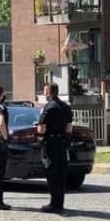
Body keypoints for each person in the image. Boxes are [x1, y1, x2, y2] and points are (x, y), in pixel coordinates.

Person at [37, 82, 72, 213]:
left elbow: (41, 128)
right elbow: (69, 126)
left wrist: (40, 136)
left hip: (50, 142)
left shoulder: (48, 107)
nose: (44, 94)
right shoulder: (65, 106)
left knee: (51, 172)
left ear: (49, 92)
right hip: (62, 142)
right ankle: (60, 202)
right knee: (61, 172)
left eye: (45, 91)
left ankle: (53, 203)